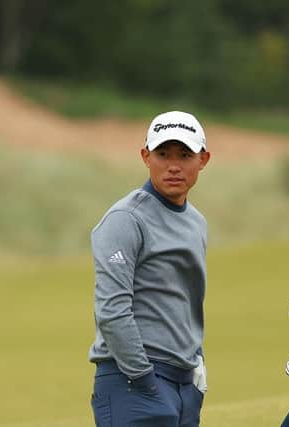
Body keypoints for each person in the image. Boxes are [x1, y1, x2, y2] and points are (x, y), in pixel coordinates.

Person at [89, 110, 210, 427]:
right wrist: (144, 380)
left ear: (203, 160)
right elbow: (112, 309)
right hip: (131, 380)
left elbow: (188, 300)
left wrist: (197, 364)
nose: (173, 165)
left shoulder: (196, 222)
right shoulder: (125, 219)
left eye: (185, 155)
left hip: (184, 382)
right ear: (145, 156)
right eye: (162, 154)